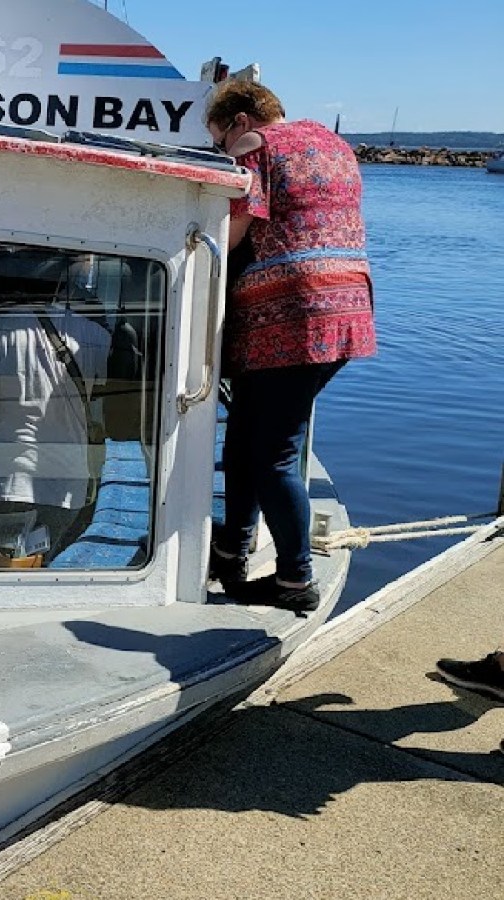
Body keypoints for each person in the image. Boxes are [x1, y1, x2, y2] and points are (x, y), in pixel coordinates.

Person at [205, 81, 376, 611]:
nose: (219, 149)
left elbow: (229, 232)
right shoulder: (333, 143)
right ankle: (232, 549)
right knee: (246, 436)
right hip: (348, 306)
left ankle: (296, 582)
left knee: (274, 452)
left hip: (292, 313)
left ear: (238, 120)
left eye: (216, 137)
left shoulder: (254, 145)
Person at [0, 299, 111, 557]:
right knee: (39, 572)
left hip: (8, 482)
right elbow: (112, 407)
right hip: (68, 487)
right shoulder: (96, 336)